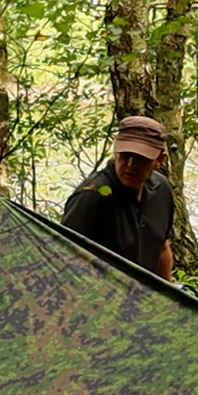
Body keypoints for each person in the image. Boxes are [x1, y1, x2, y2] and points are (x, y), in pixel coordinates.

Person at [61, 115, 175, 279]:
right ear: (115, 151)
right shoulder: (91, 196)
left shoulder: (161, 190)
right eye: (125, 155)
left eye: (140, 158)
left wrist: (168, 299)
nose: (130, 165)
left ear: (159, 160)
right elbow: (65, 262)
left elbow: (162, 248)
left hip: (145, 298)